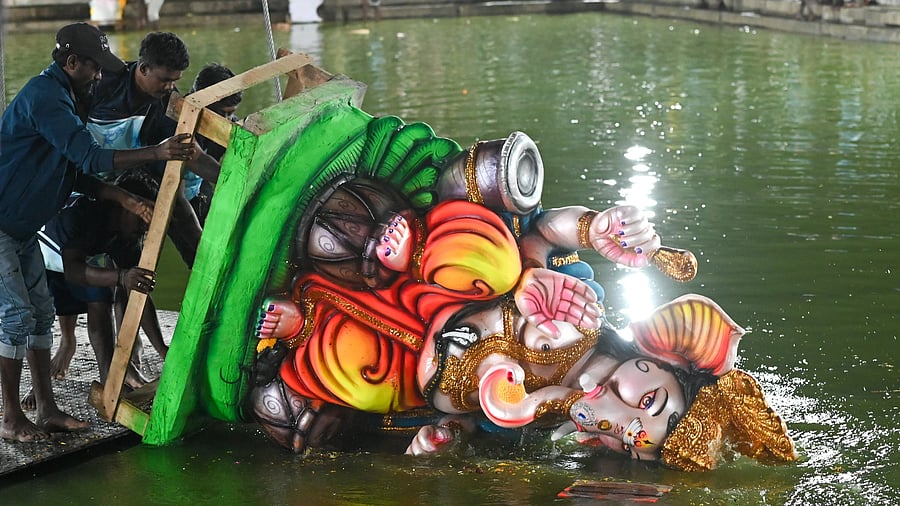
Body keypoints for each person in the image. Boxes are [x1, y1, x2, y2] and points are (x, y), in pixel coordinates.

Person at [0, 22, 195, 442]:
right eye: (93, 66)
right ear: (71, 62)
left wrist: (121, 198)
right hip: (2, 222)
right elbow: (88, 157)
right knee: (16, 317)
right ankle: (11, 417)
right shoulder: (45, 96)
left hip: (23, 225)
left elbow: (76, 173)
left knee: (40, 315)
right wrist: (157, 153)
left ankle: (48, 408)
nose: (101, 74)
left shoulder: (74, 95)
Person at [88, 31, 220, 269]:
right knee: (110, 260)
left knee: (178, 207)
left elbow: (193, 154)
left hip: (130, 175)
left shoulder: (167, 101)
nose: (170, 87)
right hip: (84, 177)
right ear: (143, 68)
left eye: (175, 80)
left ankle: (210, 268)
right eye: (164, 79)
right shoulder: (101, 84)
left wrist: (234, 179)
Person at [36, 176, 166, 390]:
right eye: (142, 217)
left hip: (73, 256)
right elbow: (74, 271)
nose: (146, 226)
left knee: (109, 285)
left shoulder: (129, 235)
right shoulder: (85, 216)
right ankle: (44, 382)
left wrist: (162, 350)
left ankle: (112, 377)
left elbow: (139, 292)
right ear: (122, 206)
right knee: (33, 319)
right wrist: (122, 276)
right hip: (40, 252)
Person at [185, 63, 242, 225]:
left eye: (230, 114)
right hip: (160, 186)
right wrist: (240, 182)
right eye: (220, 113)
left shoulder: (228, 125)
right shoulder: (178, 118)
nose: (226, 120)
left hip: (197, 186)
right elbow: (196, 159)